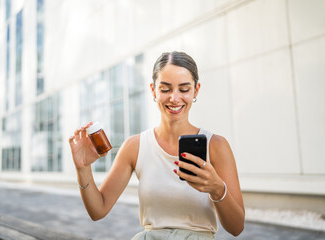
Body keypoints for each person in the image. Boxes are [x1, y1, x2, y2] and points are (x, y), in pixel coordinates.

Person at [69, 51, 245, 239]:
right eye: (165, 89)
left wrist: (218, 189)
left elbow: (236, 228)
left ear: (196, 90)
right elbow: (98, 210)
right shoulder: (135, 146)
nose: (174, 98)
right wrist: (83, 169)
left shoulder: (216, 145)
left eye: (184, 89)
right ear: (153, 90)